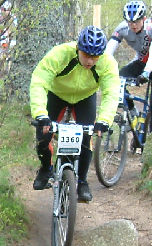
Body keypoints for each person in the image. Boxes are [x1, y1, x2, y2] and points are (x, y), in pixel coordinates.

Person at [29, 25, 119, 203]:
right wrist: (40, 114)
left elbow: (111, 92)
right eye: (86, 55)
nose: (90, 61)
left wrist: (104, 121)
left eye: (95, 57)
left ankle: (82, 182)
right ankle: (46, 168)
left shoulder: (107, 63)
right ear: (78, 48)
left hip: (85, 98)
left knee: (86, 138)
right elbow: (39, 81)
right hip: (57, 94)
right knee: (43, 135)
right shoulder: (60, 54)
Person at [105, 0, 152, 132]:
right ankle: (132, 111)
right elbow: (108, 51)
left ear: (144, 18)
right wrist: (104, 68)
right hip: (141, 61)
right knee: (116, 81)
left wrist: (147, 72)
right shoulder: (122, 28)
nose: (133, 25)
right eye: (130, 22)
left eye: (136, 21)